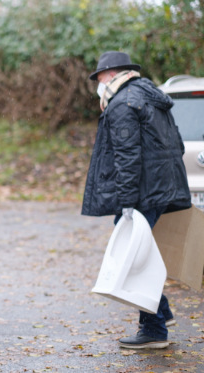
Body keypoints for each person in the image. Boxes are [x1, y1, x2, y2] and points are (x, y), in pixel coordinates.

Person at [82, 51, 191, 349]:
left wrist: (128, 204)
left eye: (100, 76)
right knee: (141, 256)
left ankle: (155, 328)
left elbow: (127, 157)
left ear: (114, 73)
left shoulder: (122, 103)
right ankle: (159, 317)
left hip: (141, 194)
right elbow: (177, 144)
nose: (98, 82)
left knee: (134, 260)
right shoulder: (152, 97)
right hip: (159, 189)